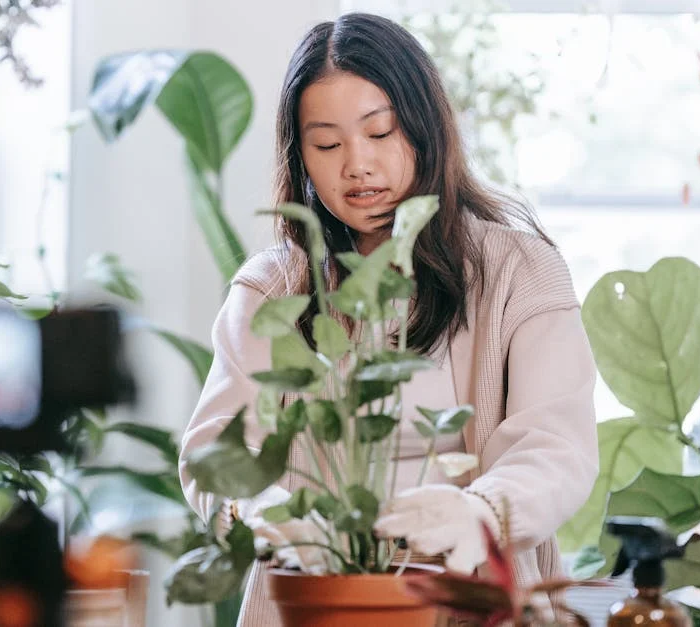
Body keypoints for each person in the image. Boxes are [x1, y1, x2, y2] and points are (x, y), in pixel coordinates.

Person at [179, 11, 598, 627]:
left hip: (473, 603)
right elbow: (212, 453)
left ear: (427, 130)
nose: (357, 165)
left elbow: (557, 447)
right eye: (327, 144)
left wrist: (483, 510)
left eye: (381, 133)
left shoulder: (519, 269)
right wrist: (268, 516)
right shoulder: (273, 289)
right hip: (315, 604)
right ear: (300, 155)